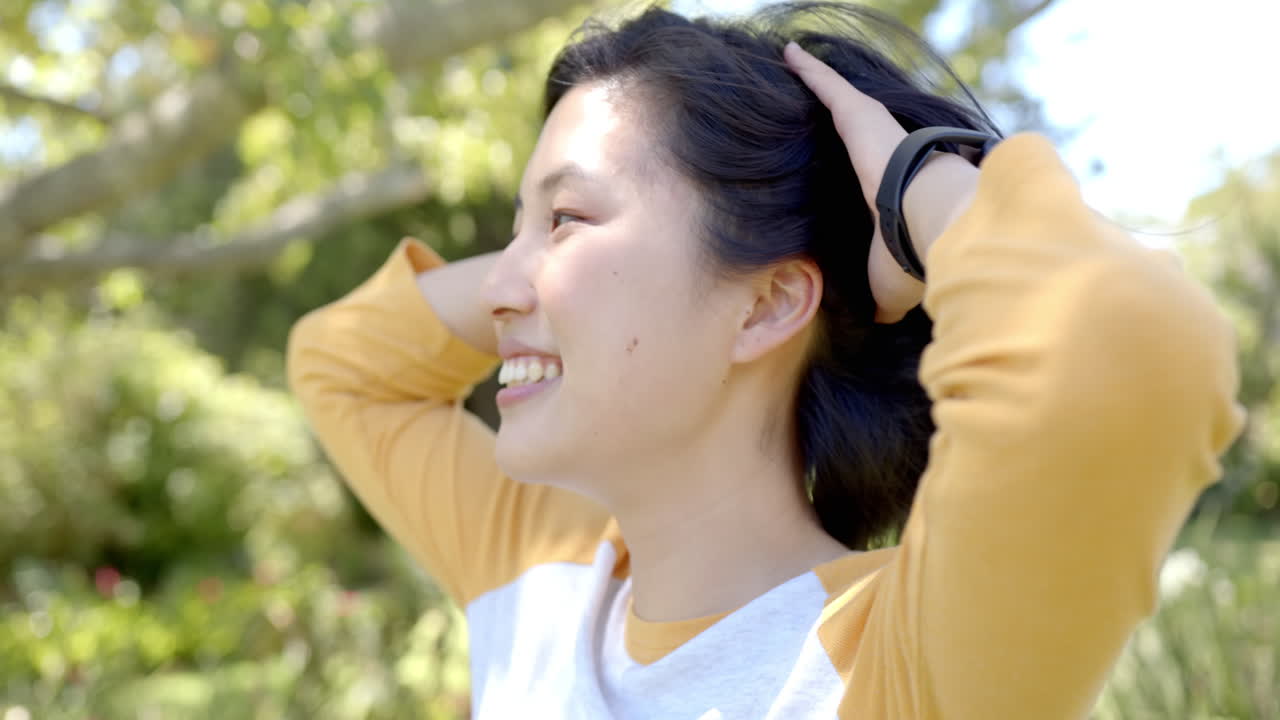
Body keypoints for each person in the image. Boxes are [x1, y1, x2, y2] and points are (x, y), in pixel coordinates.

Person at [286, 3, 1245, 718]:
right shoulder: (540, 569)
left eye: (569, 218)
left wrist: (916, 188)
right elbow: (344, 365)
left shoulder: (899, 663)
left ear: (770, 302)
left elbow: (1130, 341)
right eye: (513, 232)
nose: (497, 288)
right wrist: (546, 252)